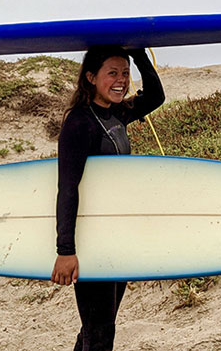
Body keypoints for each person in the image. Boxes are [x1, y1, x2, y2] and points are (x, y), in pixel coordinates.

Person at [51, 46, 165, 351]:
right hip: (91, 241)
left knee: (98, 326)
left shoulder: (115, 113)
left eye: (125, 73)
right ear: (90, 77)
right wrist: (66, 251)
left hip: (116, 237)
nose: (121, 80)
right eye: (112, 73)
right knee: (100, 333)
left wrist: (138, 54)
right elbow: (68, 188)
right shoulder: (79, 123)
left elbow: (155, 97)